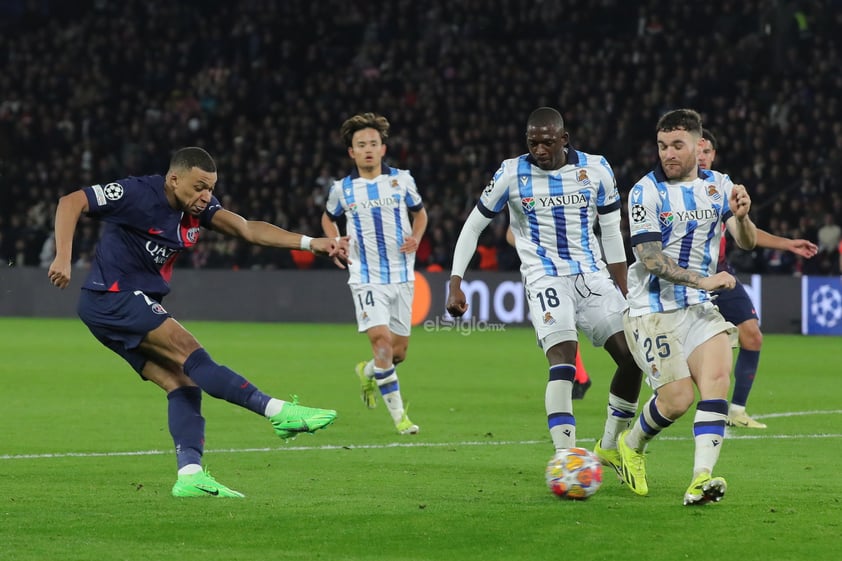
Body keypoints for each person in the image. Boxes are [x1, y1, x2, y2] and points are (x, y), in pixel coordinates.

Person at [48, 147, 344, 498]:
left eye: (211, 188)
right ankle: (278, 411)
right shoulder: (136, 193)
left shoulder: (196, 209)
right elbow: (71, 201)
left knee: (183, 383)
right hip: (113, 295)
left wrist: (312, 243)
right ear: (174, 179)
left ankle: (189, 475)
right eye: (200, 187)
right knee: (192, 353)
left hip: (115, 305)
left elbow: (248, 229)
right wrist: (63, 257)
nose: (207, 196)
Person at [446, 107, 642, 474]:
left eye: (547, 142)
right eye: (532, 142)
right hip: (545, 279)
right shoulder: (510, 173)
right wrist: (456, 281)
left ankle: (612, 445)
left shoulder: (596, 169)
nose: (539, 149)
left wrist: (625, 287)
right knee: (564, 359)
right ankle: (566, 457)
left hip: (592, 276)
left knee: (633, 358)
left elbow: (612, 232)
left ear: (564, 139)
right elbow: (473, 227)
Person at [620, 109, 758, 506]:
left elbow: (745, 242)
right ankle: (632, 446)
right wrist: (704, 279)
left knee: (717, 378)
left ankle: (701, 479)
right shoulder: (645, 191)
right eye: (662, 146)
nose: (668, 154)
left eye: (677, 145)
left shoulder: (719, 186)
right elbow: (650, 258)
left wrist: (744, 218)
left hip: (697, 306)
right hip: (651, 309)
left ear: (699, 147)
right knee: (677, 400)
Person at [698, 129, 817, 428]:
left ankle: (736, 410)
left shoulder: (721, 187)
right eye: (697, 149)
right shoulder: (670, 189)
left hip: (721, 272)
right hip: (687, 279)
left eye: (707, 151)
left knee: (752, 334)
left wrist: (788, 243)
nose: (702, 156)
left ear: (714, 155)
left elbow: (744, 233)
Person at [321, 112, 428, 435]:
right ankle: (400, 419)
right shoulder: (343, 189)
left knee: (398, 353)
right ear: (351, 152)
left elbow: (420, 214)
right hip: (365, 276)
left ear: (383, 148)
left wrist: (416, 238)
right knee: (381, 343)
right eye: (360, 145)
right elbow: (328, 218)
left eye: (373, 143)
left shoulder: (402, 181)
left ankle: (366, 372)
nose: (367, 149)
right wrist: (335, 239)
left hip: (401, 276)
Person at [504, 226, 592, 399]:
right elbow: (510, 235)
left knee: (562, 326)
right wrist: (537, 248)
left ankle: (579, 377)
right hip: (547, 270)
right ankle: (579, 376)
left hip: (575, 266)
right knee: (561, 326)